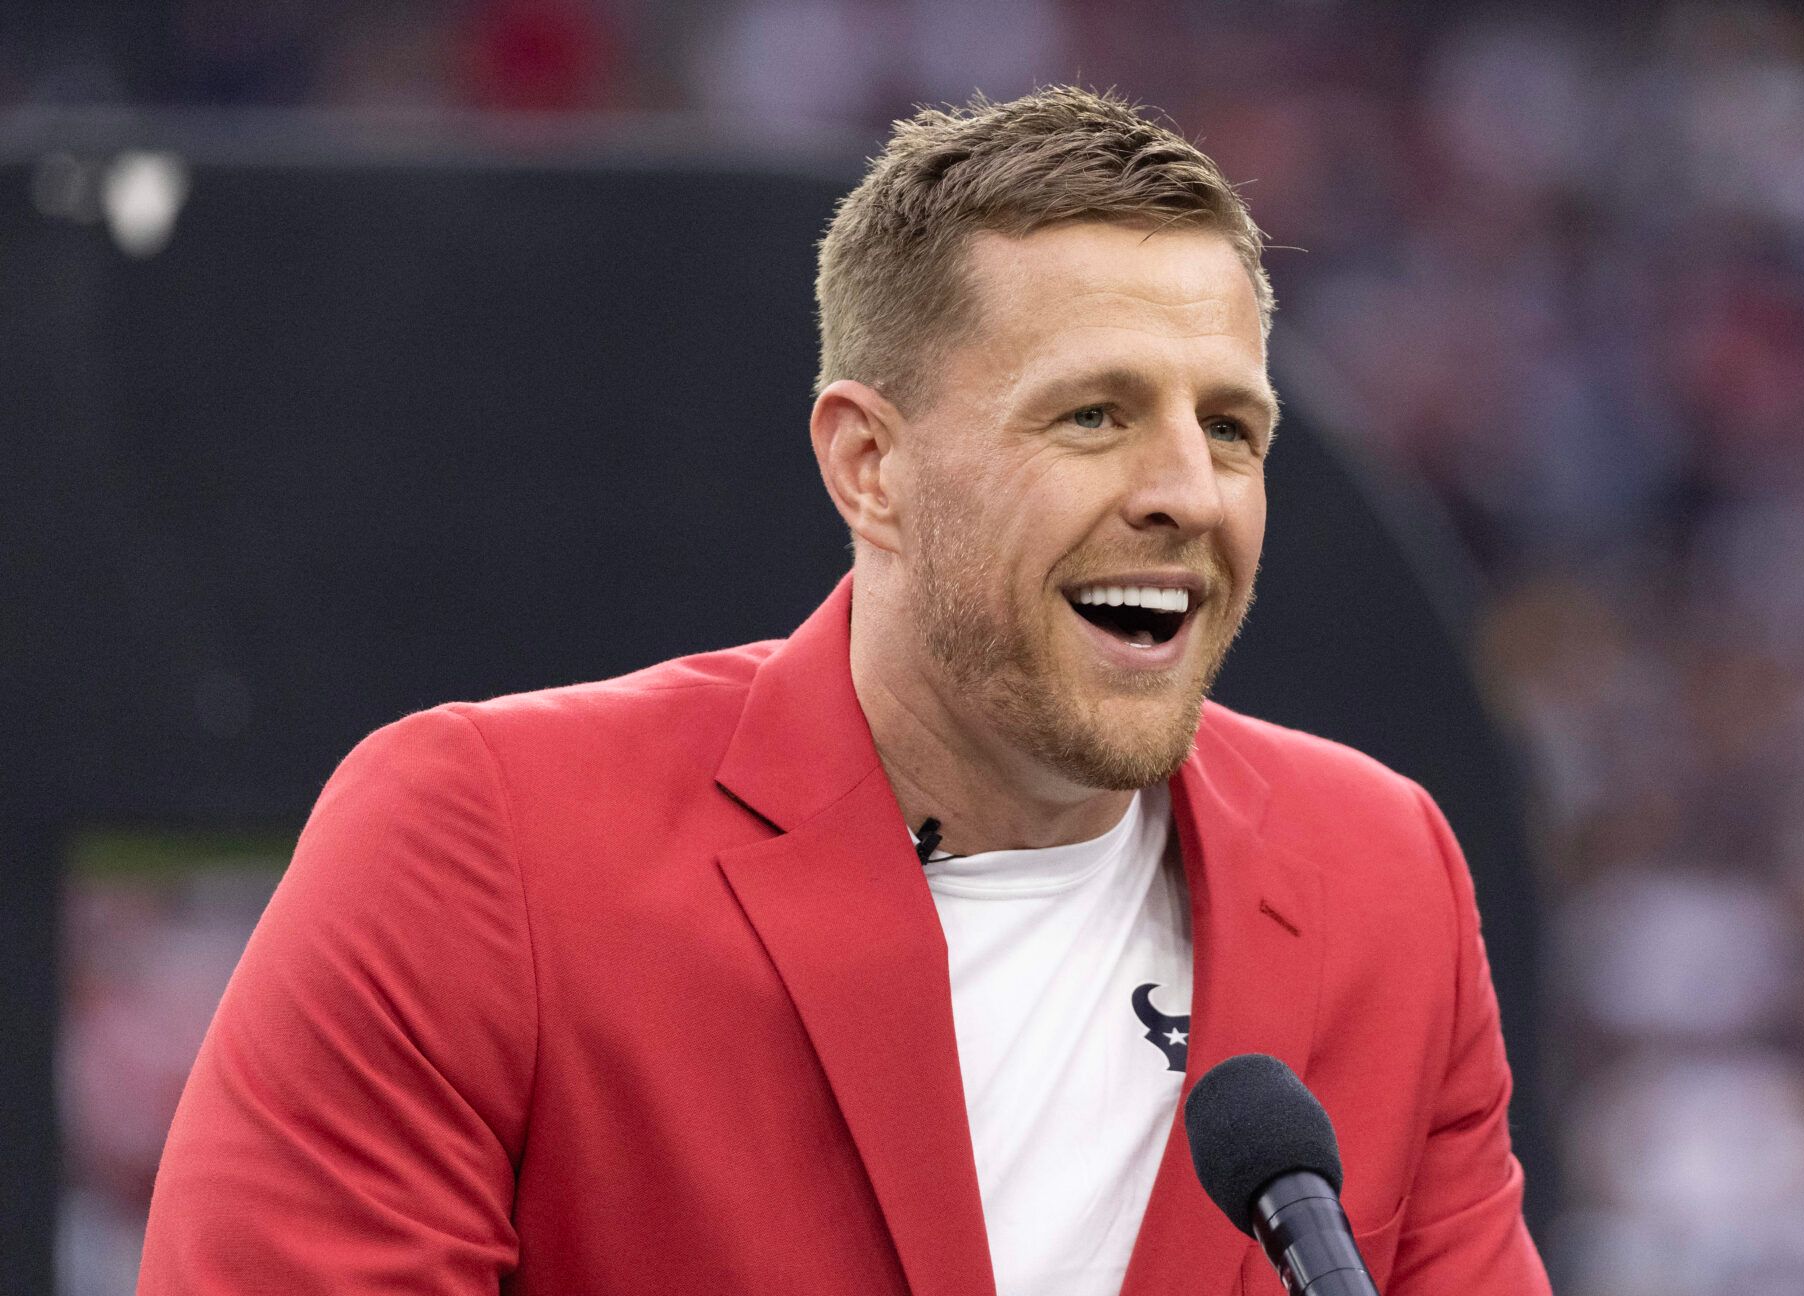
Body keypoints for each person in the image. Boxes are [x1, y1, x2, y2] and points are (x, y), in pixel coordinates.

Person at [139, 87, 1549, 1295]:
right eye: (1094, 415)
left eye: (1231, 427)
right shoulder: (480, 842)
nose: (1187, 492)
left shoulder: (1385, 876)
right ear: (869, 466)